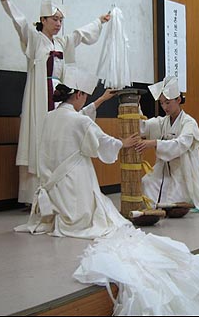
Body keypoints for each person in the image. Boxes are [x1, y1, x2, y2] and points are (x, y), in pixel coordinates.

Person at [0, 0, 111, 205]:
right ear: (43, 19)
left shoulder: (62, 42)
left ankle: (56, 190)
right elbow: (19, 22)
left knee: (57, 139)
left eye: (60, 20)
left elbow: (80, 35)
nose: (58, 24)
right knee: (38, 137)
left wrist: (99, 21)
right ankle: (34, 195)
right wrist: (6, 0)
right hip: (40, 98)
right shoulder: (34, 38)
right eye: (54, 19)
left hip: (57, 98)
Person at [14, 74, 139, 239]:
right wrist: (122, 143)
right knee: (104, 214)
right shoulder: (79, 120)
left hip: (51, 181)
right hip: (74, 180)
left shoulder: (48, 117)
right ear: (79, 94)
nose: (85, 101)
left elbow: (78, 117)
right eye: (85, 96)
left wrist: (101, 99)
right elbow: (100, 140)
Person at [134, 77, 199, 213]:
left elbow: (181, 144)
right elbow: (142, 126)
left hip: (183, 172)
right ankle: (155, 208)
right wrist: (136, 106)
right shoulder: (163, 121)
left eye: (168, 102)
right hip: (164, 169)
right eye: (161, 103)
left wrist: (154, 143)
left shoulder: (189, 122)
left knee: (173, 200)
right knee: (146, 182)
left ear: (178, 100)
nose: (164, 107)